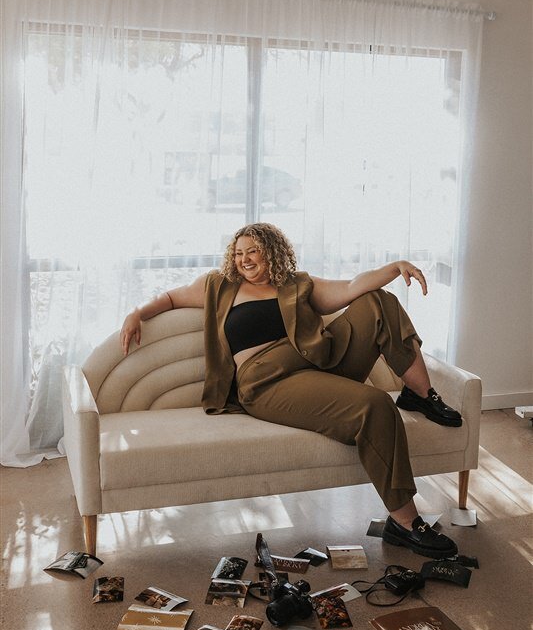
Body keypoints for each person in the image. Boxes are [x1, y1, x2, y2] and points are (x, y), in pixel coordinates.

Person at [120, 223, 463, 559]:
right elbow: (169, 297)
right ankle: (404, 522)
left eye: (252, 250)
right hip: (268, 381)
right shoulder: (219, 286)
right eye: (238, 253)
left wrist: (394, 267)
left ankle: (420, 394)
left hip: (316, 362)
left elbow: (354, 286)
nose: (245, 259)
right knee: (373, 404)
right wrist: (138, 313)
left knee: (379, 301)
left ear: (271, 251)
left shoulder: (298, 285)